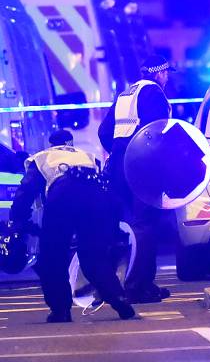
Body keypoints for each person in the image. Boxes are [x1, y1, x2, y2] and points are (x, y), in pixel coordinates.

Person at [11, 130, 135, 322]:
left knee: (53, 256)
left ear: (50, 144)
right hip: (97, 198)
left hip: (63, 195)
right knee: (94, 256)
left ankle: (60, 310)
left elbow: (25, 192)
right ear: (70, 143)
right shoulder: (87, 157)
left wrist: (18, 221)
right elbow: (106, 186)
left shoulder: (43, 157)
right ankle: (119, 299)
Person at [99, 55, 173, 303]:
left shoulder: (125, 94)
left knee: (125, 226)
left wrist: (118, 150)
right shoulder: (155, 94)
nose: (167, 77)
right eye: (166, 73)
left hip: (120, 164)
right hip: (142, 165)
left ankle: (115, 285)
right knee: (145, 226)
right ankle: (137, 287)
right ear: (160, 73)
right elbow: (158, 132)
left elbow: (103, 130)